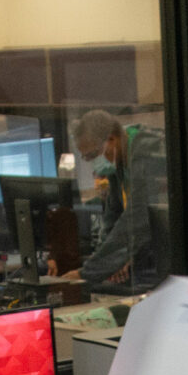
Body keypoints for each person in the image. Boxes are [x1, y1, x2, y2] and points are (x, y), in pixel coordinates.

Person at [72, 107, 166, 290]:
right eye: (86, 158)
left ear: (111, 139)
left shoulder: (147, 152)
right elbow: (112, 217)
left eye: (92, 154)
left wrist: (88, 273)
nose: (92, 162)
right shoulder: (119, 162)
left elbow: (138, 215)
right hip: (143, 258)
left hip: (166, 260)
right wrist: (110, 262)